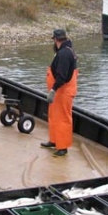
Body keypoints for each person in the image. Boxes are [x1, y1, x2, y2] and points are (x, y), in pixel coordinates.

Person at [40, 29, 78, 157]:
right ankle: (54, 140)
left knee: (62, 119)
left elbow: (62, 76)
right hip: (59, 92)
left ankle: (63, 147)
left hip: (63, 92)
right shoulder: (65, 52)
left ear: (56, 39)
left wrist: (53, 90)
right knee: (54, 116)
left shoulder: (64, 54)